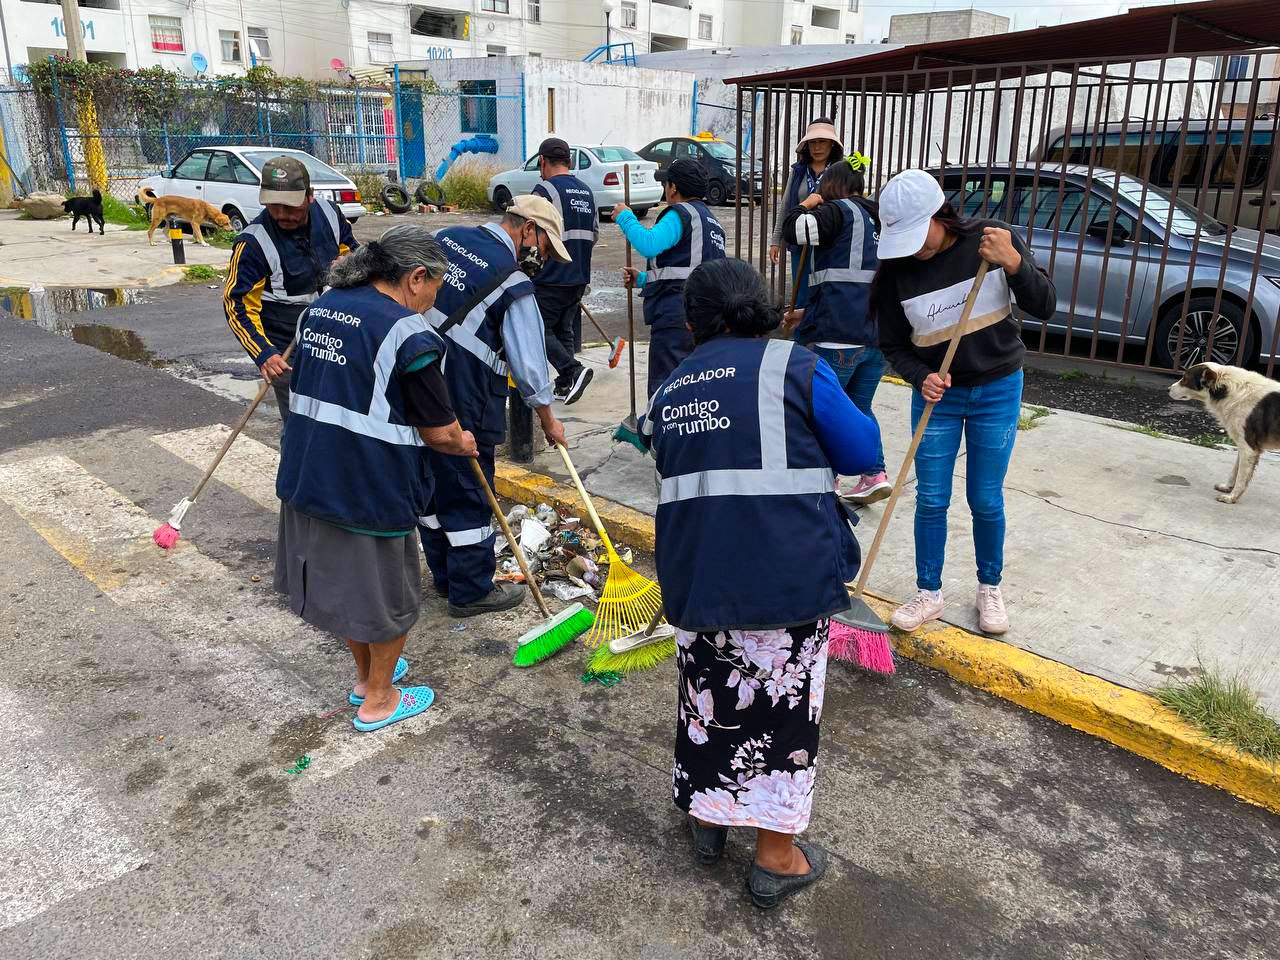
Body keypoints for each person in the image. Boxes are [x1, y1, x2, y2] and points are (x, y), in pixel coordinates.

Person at [640, 258, 880, 911]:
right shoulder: (793, 367)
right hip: (788, 579)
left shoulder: (669, 391)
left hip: (698, 579)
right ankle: (775, 858)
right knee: (782, 712)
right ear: (763, 309)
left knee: (709, 699)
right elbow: (862, 454)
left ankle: (709, 821)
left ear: (691, 323)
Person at [275, 226, 477, 733]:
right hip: (368, 483)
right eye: (437, 286)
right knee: (388, 597)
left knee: (350, 589)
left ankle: (367, 678)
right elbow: (439, 432)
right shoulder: (407, 332)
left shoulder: (322, 306)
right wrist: (462, 442)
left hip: (307, 472)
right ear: (414, 278)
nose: (435, 300)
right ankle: (381, 700)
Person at [873, 169, 1057, 636]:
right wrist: (921, 377)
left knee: (985, 497)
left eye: (921, 237)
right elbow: (893, 345)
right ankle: (928, 591)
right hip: (940, 396)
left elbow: (1046, 304)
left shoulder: (991, 242)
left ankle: (989, 587)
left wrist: (1015, 265)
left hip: (997, 388)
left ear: (940, 215)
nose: (916, 249)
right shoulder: (897, 271)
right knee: (931, 498)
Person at [420, 195, 570, 617]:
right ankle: (470, 590)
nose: (542, 257)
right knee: (468, 491)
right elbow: (529, 365)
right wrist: (548, 419)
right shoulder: (513, 282)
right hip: (466, 394)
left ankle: (444, 576)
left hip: (415, 386)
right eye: (543, 246)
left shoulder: (445, 237)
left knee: (430, 487)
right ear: (528, 231)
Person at [781, 155, 889, 505]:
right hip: (876, 336)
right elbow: (852, 280)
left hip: (837, 334)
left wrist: (807, 203)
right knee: (859, 407)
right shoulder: (879, 218)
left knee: (824, 413)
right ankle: (874, 474)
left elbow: (793, 230)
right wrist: (807, 311)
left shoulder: (836, 211)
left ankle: (825, 482)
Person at [224, 155, 357, 426]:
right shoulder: (252, 243)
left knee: (339, 414)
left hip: (331, 331)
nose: (282, 214)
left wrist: (352, 263)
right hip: (285, 347)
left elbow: (353, 252)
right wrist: (264, 353)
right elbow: (236, 306)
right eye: (274, 206)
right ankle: (295, 467)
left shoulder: (331, 214)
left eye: (290, 206)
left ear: (309, 196)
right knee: (301, 422)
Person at [614, 156, 727, 397]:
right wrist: (644, 279)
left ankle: (660, 433)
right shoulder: (712, 222)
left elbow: (649, 244)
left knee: (666, 388)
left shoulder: (680, 214)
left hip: (676, 314)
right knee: (696, 387)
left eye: (666, 183)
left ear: (674, 187)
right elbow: (691, 268)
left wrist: (625, 216)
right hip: (707, 317)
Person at [531, 137, 597, 405]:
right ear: (569, 162)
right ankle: (565, 384)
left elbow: (531, 235)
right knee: (563, 328)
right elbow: (593, 234)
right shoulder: (587, 191)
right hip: (579, 274)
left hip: (551, 275)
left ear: (542, 162)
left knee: (538, 328)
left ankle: (572, 370)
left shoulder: (544, 190)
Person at [768, 118, 844, 310]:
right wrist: (776, 240)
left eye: (822, 142)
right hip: (801, 241)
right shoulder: (799, 171)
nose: (817, 147)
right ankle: (800, 333)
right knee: (800, 292)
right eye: (813, 142)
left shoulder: (840, 171)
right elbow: (786, 206)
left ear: (832, 145)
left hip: (829, 241)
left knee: (825, 289)